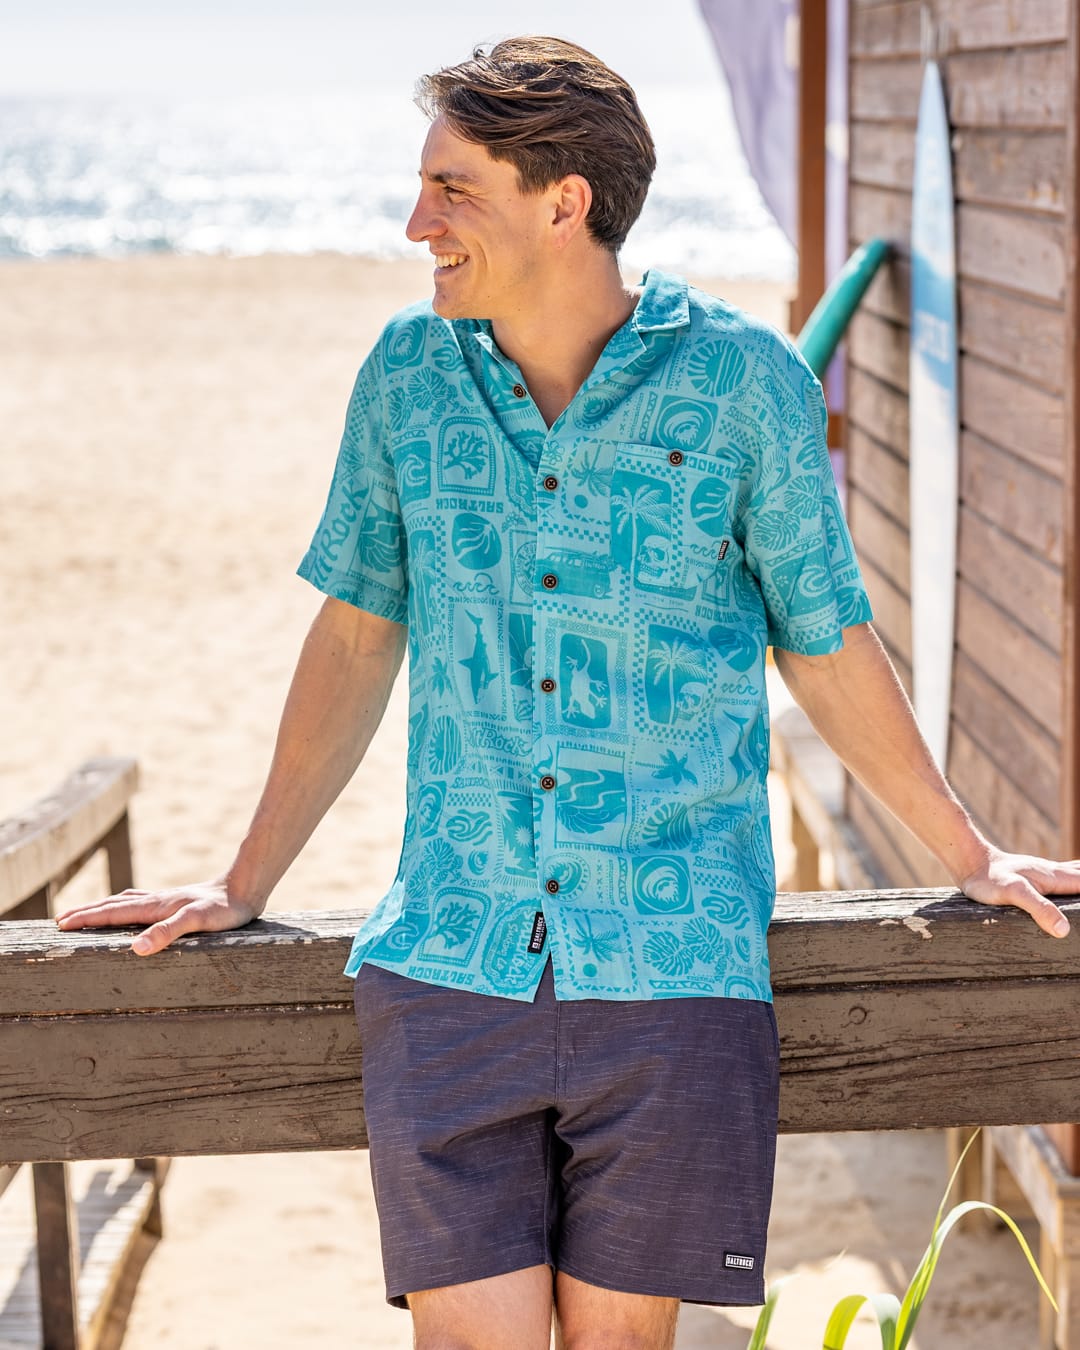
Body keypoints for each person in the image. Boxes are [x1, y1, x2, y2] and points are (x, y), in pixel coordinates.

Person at [58, 36, 1077, 1350]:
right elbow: (356, 637)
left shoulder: (745, 384)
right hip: (453, 954)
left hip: (672, 965)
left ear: (564, 202)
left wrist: (967, 854)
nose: (417, 223)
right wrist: (242, 880)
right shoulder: (406, 381)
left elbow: (826, 642)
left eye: (452, 190)